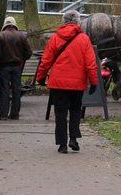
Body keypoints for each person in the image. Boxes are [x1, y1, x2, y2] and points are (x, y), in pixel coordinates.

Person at [36, 10, 98, 153]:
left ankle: (62, 144)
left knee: (60, 113)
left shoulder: (55, 38)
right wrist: (94, 81)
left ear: (64, 21)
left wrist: (40, 77)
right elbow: (90, 63)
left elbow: (46, 61)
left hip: (58, 82)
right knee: (75, 110)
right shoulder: (84, 39)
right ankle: (74, 138)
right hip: (77, 82)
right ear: (77, 22)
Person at [0, 17, 33, 120]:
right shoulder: (22, 36)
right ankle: (15, 113)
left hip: (4, 66)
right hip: (17, 66)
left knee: (4, 89)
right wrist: (22, 59)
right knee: (16, 89)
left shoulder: (0, 36)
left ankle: (3, 114)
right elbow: (29, 52)